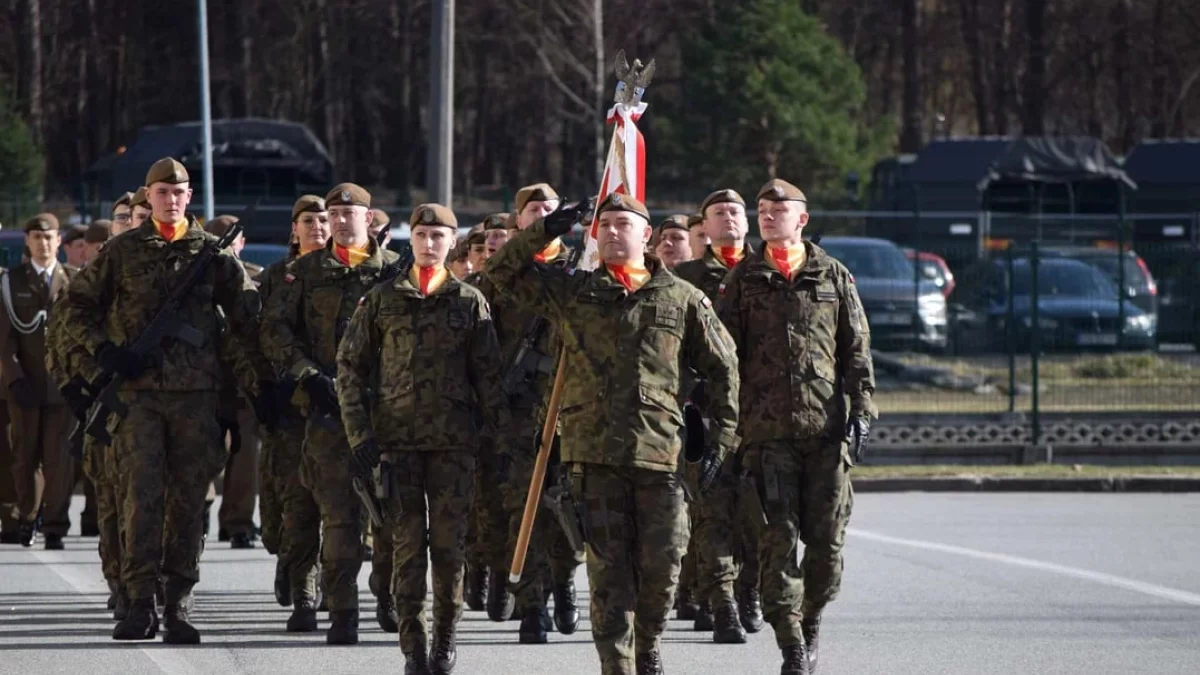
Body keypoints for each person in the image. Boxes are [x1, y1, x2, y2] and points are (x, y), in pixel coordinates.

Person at [485, 193, 740, 675]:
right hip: (593, 455)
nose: (613, 232)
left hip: (661, 455)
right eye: (605, 225)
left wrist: (721, 442)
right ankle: (617, 664)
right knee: (608, 573)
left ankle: (647, 644)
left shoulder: (681, 297)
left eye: (625, 224)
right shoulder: (573, 292)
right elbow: (500, 274)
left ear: (647, 236)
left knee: (664, 568)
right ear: (593, 235)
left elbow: (724, 367)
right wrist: (546, 230)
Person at [58, 157, 272, 643]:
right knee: (140, 500)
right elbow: (75, 307)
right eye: (161, 192)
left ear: (189, 196)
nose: (170, 200)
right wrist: (105, 353)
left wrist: (253, 390)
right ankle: (138, 603)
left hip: (197, 399)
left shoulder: (213, 256)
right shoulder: (123, 250)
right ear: (148, 196)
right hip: (138, 401)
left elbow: (245, 322)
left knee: (188, 503)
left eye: (178, 192)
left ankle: (177, 602)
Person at [338, 202, 506, 675]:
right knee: (406, 546)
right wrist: (360, 436)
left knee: (451, 548)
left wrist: (499, 444)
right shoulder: (381, 300)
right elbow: (349, 369)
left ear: (453, 242)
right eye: (422, 235)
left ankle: (446, 637)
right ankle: (413, 644)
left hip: (455, 446)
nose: (430, 244)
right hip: (396, 445)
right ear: (408, 240)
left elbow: (488, 379)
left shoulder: (470, 302)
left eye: (439, 236)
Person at [716, 178, 875, 675]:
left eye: (778, 209)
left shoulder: (833, 275)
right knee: (776, 542)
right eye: (762, 210)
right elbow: (723, 358)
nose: (767, 216)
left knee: (827, 546)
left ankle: (809, 622)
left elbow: (857, 351)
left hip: (826, 434)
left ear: (801, 219)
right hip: (765, 437)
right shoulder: (743, 279)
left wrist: (863, 411)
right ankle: (791, 647)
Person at [262, 182, 400, 644]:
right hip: (326, 413)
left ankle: (389, 594)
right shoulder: (301, 273)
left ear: (369, 218)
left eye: (349, 213)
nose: (340, 221)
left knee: (391, 517)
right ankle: (342, 612)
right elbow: (277, 331)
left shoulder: (395, 273)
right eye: (333, 213)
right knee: (339, 518)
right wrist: (305, 374)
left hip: (386, 415)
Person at [472, 183, 584, 643]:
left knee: (570, 506)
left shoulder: (584, 268)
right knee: (526, 507)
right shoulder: (505, 276)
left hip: (577, 408)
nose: (542, 212)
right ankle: (532, 602)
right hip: (520, 414)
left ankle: (565, 582)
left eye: (550, 208)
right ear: (521, 221)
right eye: (533, 210)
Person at [673, 188, 761, 642]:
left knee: (761, 514)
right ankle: (723, 602)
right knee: (710, 512)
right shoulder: (684, 277)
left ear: (747, 223)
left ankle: (749, 589)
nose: (728, 218)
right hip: (704, 413)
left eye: (735, 212)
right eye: (718, 213)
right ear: (702, 228)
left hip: (764, 416)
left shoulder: (765, 272)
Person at [259, 195, 331, 622]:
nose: (318, 227)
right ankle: (290, 562)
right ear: (294, 229)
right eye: (309, 220)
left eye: (324, 220)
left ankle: (308, 589)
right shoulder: (276, 278)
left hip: (332, 404)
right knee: (287, 505)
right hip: (288, 408)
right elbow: (257, 338)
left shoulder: (350, 276)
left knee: (328, 503)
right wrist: (261, 390)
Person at [0, 213, 78, 549]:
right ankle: (27, 518)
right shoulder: (10, 282)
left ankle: (56, 525)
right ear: (27, 241)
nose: (43, 243)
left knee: (59, 457)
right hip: (26, 384)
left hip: (63, 386)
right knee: (25, 456)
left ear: (59, 241)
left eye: (49, 238)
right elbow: (4, 339)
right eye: (36, 237)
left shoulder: (75, 281)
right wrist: (15, 379)